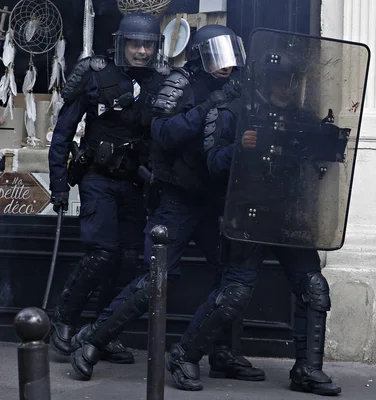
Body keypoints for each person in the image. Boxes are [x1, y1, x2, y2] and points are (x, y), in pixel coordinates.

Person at [67, 24, 264, 384]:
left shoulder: (237, 86)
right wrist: (206, 106)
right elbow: (163, 134)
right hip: (178, 197)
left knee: (230, 278)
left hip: (217, 199)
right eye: (218, 57)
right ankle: (91, 341)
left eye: (231, 57)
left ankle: (218, 352)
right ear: (200, 55)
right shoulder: (180, 83)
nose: (226, 66)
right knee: (155, 279)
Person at [162, 48, 342, 396]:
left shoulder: (303, 116)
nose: (287, 86)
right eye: (280, 78)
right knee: (234, 294)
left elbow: (310, 169)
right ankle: (184, 354)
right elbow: (213, 163)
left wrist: (326, 146)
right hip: (247, 212)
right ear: (264, 78)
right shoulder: (233, 112)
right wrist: (240, 147)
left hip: (289, 215)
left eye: (293, 80)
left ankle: (307, 368)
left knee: (314, 289)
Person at [47, 12, 168, 362]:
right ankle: (65, 322)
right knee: (102, 254)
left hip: (136, 183)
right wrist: (58, 184)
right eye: (135, 44)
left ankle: (103, 331)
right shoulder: (95, 73)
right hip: (98, 178)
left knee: (129, 259)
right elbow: (63, 134)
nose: (142, 52)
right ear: (121, 44)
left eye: (148, 45)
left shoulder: (162, 81)